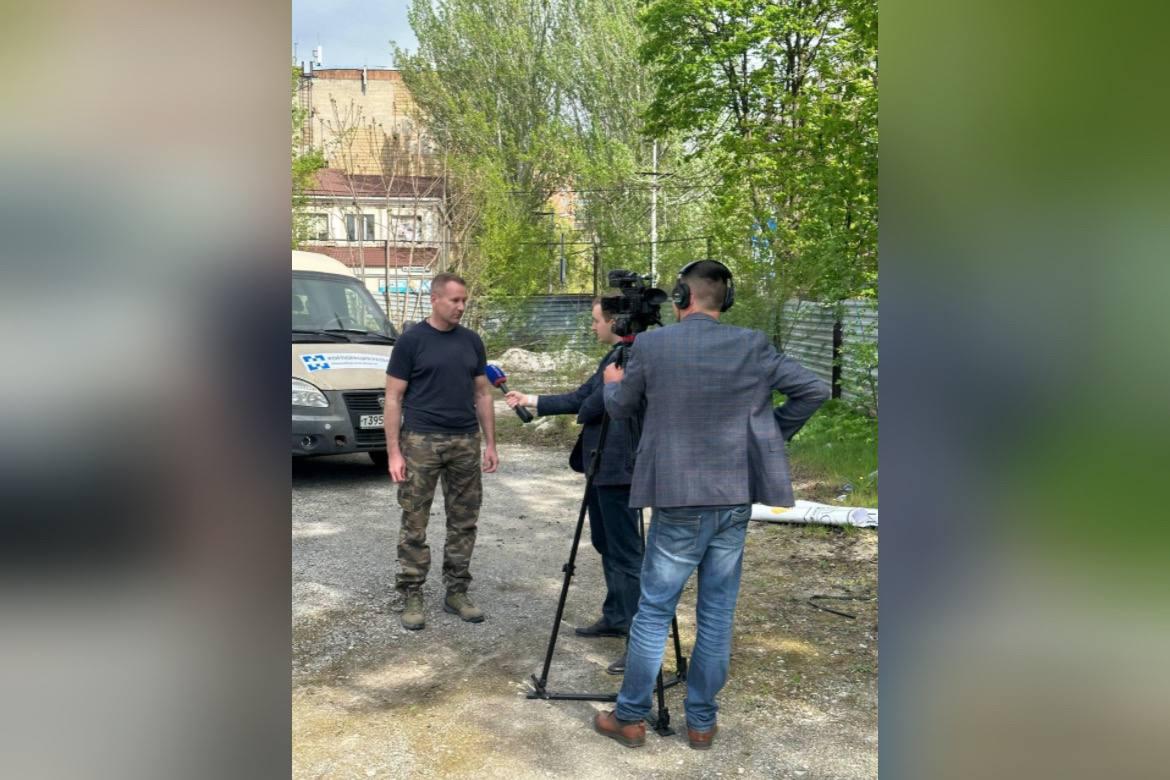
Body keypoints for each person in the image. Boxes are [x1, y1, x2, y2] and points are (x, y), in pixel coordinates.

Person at [591, 260, 829, 750]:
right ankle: (701, 722)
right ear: (726, 300)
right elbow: (815, 389)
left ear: (681, 297)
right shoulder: (753, 344)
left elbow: (621, 408)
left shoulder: (652, 346)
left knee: (654, 610)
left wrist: (612, 384)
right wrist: (767, 435)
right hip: (733, 498)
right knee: (717, 613)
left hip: (678, 499)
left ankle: (630, 717)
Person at [504, 297, 643, 674]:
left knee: (627, 553)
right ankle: (616, 615)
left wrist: (585, 407)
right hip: (601, 465)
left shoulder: (633, 357)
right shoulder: (615, 354)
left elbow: (594, 405)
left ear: (616, 321)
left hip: (620, 468)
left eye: (596, 320)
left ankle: (639, 641)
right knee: (605, 543)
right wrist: (531, 399)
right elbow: (584, 397)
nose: (592, 326)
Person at [383, 272, 499, 631]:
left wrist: (491, 443)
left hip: (465, 440)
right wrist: (394, 452)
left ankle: (457, 591)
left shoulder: (471, 341)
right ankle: (412, 592)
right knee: (414, 520)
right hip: (421, 441)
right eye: (455, 300)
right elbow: (393, 398)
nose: (461, 306)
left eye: (464, 300)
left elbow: (482, 393)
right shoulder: (411, 341)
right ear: (435, 299)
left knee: (464, 520)